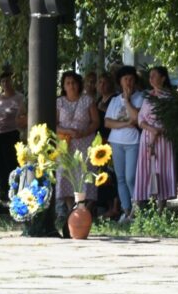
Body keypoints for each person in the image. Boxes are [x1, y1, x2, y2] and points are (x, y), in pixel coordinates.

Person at [104, 65, 145, 223]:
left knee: (131, 177)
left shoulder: (140, 97)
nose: (128, 82)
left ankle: (137, 209)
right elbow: (107, 122)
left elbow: (137, 118)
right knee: (120, 178)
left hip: (133, 142)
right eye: (125, 79)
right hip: (116, 142)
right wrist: (125, 123)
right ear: (120, 82)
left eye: (131, 79)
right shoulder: (114, 100)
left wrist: (127, 100)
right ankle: (126, 210)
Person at [55, 70, 100, 214]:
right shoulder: (59, 102)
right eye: (67, 83)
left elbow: (96, 122)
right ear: (63, 86)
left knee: (84, 174)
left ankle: (83, 210)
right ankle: (70, 210)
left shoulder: (87, 100)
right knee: (66, 173)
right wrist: (69, 132)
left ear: (79, 84)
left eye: (73, 82)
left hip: (85, 142)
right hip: (65, 144)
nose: (71, 86)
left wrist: (83, 132)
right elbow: (54, 124)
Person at [134, 66, 177, 210]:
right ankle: (143, 205)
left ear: (163, 78)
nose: (151, 78)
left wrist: (155, 132)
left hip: (162, 139)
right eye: (150, 76)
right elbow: (140, 118)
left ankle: (161, 207)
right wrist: (150, 129)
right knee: (146, 169)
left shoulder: (168, 97)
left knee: (161, 168)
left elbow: (168, 120)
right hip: (146, 137)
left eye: (154, 75)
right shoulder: (148, 96)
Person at [0, 69, 26, 204]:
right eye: (3, 81)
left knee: (11, 165)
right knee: (0, 166)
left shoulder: (19, 98)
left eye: (8, 80)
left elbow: (22, 116)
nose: (5, 83)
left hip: (11, 135)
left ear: (12, 81)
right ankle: (3, 195)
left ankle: (15, 195)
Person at [95, 71, 120, 220]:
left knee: (112, 175)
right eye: (100, 82)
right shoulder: (98, 100)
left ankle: (115, 207)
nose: (101, 85)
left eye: (104, 82)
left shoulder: (115, 99)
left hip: (111, 139)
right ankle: (105, 205)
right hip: (99, 141)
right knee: (102, 175)